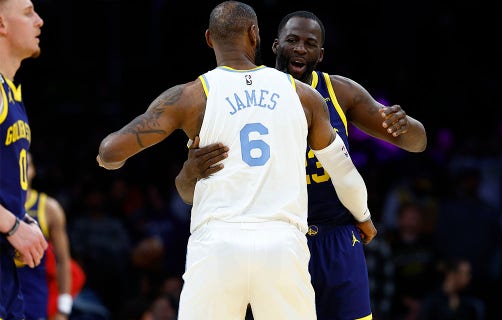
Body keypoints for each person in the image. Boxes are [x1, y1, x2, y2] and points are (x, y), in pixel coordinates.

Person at [96, 1, 374, 318]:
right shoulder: (303, 95)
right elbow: (344, 171)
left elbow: (110, 152)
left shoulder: (189, 96)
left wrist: (112, 161)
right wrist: (363, 216)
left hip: (217, 245)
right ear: (255, 35)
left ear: (209, 39)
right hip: (282, 245)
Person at [175, 10, 427, 319]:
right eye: (292, 41)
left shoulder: (340, 91)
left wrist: (405, 125)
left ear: (320, 54)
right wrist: (190, 172)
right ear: (275, 45)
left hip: (335, 234)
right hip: (277, 239)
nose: (300, 49)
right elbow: (189, 188)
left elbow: (416, 143)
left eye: (310, 43)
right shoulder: (245, 90)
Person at [0, 0, 49, 318]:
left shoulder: (10, 92)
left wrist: (19, 216)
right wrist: (12, 224)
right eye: (29, 12)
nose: (40, 21)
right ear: (2, 25)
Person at [17, 152, 79, 320]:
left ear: (34, 170)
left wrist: (63, 309)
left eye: (26, 165)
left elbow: (63, 260)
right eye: (16, 164)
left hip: (33, 294)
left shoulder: (49, 208)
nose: (21, 170)